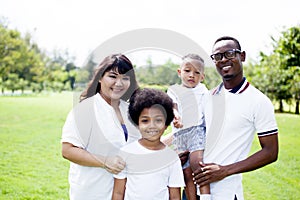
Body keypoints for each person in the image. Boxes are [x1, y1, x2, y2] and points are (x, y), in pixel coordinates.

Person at [193, 36, 279, 200]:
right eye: (218, 56)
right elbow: (199, 136)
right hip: (195, 189)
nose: (224, 60)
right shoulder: (208, 97)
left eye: (230, 54)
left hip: (226, 192)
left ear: (243, 56)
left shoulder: (259, 101)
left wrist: (225, 170)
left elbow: (271, 152)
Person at [61, 54, 141, 200]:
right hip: (92, 192)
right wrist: (105, 161)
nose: (119, 83)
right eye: (113, 76)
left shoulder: (130, 110)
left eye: (125, 78)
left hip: (126, 193)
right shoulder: (85, 110)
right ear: (100, 77)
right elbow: (67, 150)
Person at [112, 88, 185, 200]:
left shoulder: (172, 158)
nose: (152, 126)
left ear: (166, 125)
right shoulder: (125, 153)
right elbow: (118, 193)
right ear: (137, 124)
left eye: (158, 120)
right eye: (145, 121)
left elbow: (175, 196)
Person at [165, 54, 210, 200]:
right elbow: (173, 106)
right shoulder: (174, 90)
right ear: (179, 72)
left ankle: (205, 197)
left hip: (197, 131)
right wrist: (176, 115)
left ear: (202, 77)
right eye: (187, 71)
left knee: (197, 163)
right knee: (186, 172)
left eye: (197, 72)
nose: (192, 75)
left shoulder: (203, 90)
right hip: (180, 135)